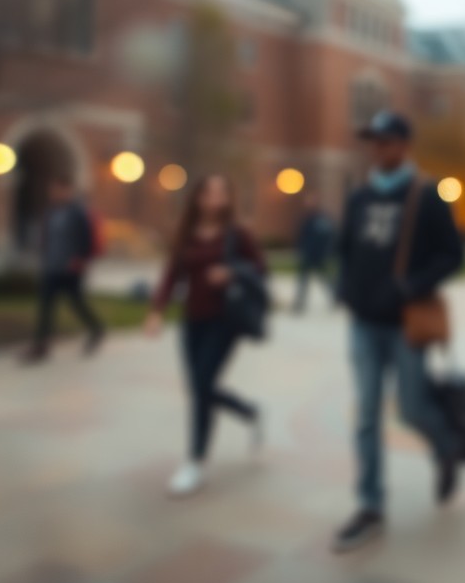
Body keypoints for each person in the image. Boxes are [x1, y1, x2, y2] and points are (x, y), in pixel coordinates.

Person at [331, 111, 465, 554]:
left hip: (405, 326)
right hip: (364, 326)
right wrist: (345, 287)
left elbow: (454, 254)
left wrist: (412, 286)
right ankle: (370, 505)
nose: (378, 148)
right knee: (367, 416)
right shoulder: (359, 197)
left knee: (412, 408)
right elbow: (345, 249)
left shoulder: (425, 195)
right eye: (373, 140)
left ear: (405, 146)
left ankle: (446, 447)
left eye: (386, 141)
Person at [143, 174, 266, 497]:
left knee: (201, 388)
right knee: (200, 387)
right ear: (197, 198)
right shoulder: (187, 235)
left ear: (227, 199)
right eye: (208, 192)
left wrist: (232, 271)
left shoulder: (237, 235)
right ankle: (247, 411)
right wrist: (157, 311)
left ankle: (195, 462)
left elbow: (260, 270)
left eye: (221, 193)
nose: (214, 198)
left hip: (225, 321)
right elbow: (171, 274)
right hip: (192, 321)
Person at [21, 176, 105, 363]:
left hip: (70, 269)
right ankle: (40, 346)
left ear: (67, 190)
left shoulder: (78, 213)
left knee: (76, 302)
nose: (54, 193)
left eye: (58, 189)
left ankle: (96, 328)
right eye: (52, 190)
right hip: (51, 266)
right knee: (46, 306)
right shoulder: (51, 212)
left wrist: (80, 260)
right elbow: (46, 238)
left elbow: (86, 240)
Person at [293, 194, 336, 313]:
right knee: (303, 281)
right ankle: (299, 302)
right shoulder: (306, 219)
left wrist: (324, 253)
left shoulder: (322, 219)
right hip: (307, 254)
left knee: (325, 279)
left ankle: (336, 297)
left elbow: (327, 238)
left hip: (318, 256)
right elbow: (301, 237)